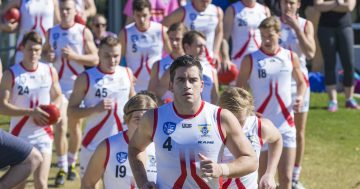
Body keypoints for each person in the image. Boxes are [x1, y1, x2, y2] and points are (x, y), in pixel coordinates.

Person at [128, 55, 258, 189]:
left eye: (193, 80)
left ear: (201, 85)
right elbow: (135, 148)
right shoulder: (153, 118)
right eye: (181, 80)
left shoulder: (221, 117)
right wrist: (143, 182)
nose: (187, 85)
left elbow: (251, 160)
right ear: (171, 86)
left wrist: (221, 169)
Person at [236, 17, 306, 189]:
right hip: (260, 127)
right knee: (262, 180)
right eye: (263, 35)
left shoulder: (290, 56)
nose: (266, 40)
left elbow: (302, 82)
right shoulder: (251, 59)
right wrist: (248, 111)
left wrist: (300, 97)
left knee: (286, 178)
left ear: (279, 34)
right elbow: (239, 90)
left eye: (270, 36)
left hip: (285, 124)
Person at [43, 0, 98, 185]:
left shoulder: (83, 31)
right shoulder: (52, 32)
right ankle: (62, 166)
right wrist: (47, 56)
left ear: (75, 11)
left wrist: (75, 57)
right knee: (60, 124)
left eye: (68, 9)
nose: (65, 12)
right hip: (58, 88)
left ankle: (72, 162)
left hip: (77, 87)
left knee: (74, 128)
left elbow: (95, 58)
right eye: (62, 9)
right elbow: (44, 55)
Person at [67, 36, 136, 185]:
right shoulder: (86, 77)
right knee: (88, 185)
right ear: (98, 54)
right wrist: (94, 109)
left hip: (120, 143)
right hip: (93, 144)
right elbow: (71, 112)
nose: (112, 60)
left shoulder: (127, 73)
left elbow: (134, 103)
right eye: (107, 56)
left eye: (116, 56)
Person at [0, 31, 63, 189]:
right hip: (20, 134)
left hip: (44, 134)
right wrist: (31, 112)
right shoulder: (12, 74)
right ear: (22, 48)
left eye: (37, 50)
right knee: (19, 185)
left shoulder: (49, 71)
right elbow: (2, 107)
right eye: (30, 49)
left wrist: (54, 110)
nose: (34, 53)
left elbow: (58, 95)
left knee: (41, 183)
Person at [81, 94, 157, 189]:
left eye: (147, 120)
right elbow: (88, 183)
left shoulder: (161, 147)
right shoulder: (108, 146)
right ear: (127, 120)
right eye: (137, 119)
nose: (142, 126)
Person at [279, 0, 316, 188]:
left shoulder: (305, 24)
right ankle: (274, 173)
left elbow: (310, 53)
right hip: (278, 85)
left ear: (298, 5)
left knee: (298, 132)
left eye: (291, 3)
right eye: (284, 2)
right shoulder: (273, 24)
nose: (287, 6)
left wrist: (296, 28)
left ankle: (294, 176)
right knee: (276, 129)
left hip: (300, 84)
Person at [219, 87, 282, 189]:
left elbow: (277, 139)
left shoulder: (258, 127)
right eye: (230, 119)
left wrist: (270, 174)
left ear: (249, 112)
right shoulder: (209, 126)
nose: (235, 125)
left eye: (240, 121)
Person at [119, 0, 172, 92]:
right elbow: (120, 59)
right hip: (134, 85)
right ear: (133, 14)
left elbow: (172, 56)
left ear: (150, 14)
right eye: (138, 16)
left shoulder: (161, 30)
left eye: (144, 15)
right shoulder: (125, 32)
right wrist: (125, 75)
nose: (142, 20)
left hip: (156, 84)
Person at [314, 0, 358, 111]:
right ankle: (332, 101)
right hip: (325, 28)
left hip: (345, 27)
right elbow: (318, 6)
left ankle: (349, 99)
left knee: (349, 63)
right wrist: (338, 3)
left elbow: (349, 7)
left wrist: (329, 5)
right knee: (329, 64)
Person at [162, 0, 224, 68]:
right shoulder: (182, 11)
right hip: (187, 60)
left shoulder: (217, 12)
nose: (205, 4)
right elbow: (162, 28)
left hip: (208, 60)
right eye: (202, 1)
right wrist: (171, 51)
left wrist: (215, 52)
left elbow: (219, 31)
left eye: (207, 1)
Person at [222, 0, 270, 73]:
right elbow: (225, 38)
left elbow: (270, 37)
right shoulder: (232, 9)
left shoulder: (264, 10)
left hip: (261, 60)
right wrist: (225, 58)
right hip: (239, 60)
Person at [148, 22, 187, 103]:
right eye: (171, 39)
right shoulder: (158, 64)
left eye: (177, 39)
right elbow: (150, 96)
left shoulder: (193, 63)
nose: (174, 43)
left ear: (185, 39)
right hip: (165, 111)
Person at [182, 30, 219, 104]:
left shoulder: (210, 69)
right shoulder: (175, 68)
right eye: (199, 46)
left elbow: (215, 97)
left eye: (204, 46)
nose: (203, 49)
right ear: (187, 47)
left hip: (206, 114)